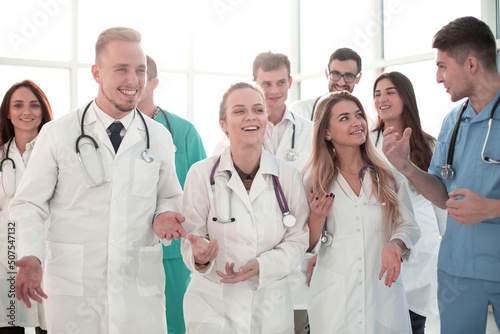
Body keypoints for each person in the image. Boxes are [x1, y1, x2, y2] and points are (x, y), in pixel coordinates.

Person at [9, 27, 184, 333]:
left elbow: (170, 195)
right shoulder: (59, 134)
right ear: (96, 73)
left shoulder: (157, 136)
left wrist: (164, 215)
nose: (133, 80)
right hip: (74, 292)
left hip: (137, 295)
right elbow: (29, 203)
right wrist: (32, 255)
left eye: (140, 70)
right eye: (121, 69)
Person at [382, 16, 500, 334]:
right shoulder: (453, 121)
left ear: (471, 64)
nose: (438, 78)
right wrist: (406, 166)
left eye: (443, 66)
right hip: (458, 273)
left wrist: (491, 208)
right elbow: (442, 193)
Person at [180, 82, 309, 333]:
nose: (251, 116)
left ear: (266, 119)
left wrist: (263, 265)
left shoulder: (288, 176)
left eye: (258, 110)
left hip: (269, 301)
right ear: (223, 124)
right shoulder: (201, 174)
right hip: (212, 302)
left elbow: (298, 238)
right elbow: (191, 237)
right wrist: (199, 256)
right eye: (239, 111)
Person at [304, 91, 420, 334]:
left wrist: (395, 244)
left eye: (359, 115)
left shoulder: (387, 175)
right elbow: (303, 245)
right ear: (327, 132)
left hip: (383, 295)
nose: (357, 123)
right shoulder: (314, 180)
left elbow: (408, 226)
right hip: (334, 299)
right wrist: (317, 217)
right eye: (344, 118)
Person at [372, 71, 446, 333]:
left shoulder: (429, 145)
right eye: (377, 93)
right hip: (378, 246)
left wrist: (448, 247)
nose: (382, 98)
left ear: (406, 97)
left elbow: (441, 206)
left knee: (413, 324)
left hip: (421, 250)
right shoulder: (365, 143)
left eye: (390, 92)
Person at [138, 55, 207, 334]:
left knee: (175, 326)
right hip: (127, 250)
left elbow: (203, 193)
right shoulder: (111, 133)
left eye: (140, 75)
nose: (132, 82)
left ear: (154, 82)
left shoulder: (183, 131)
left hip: (173, 255)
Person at [0, 80, 52, 334]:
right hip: (4, 255)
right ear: (8, 113)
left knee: (49, 325)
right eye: (18, 105)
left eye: (34, 105)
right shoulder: (1, 156)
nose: (26, 112)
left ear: (43, 111)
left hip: (47, 254)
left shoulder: (56, 153)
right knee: (9, 326)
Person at [290, 48, 362, 121]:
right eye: (336, 74)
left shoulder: (366, 122)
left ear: (358, 79)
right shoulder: (299, 111)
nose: (341, 83)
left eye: (349, 76)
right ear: (327, 74)